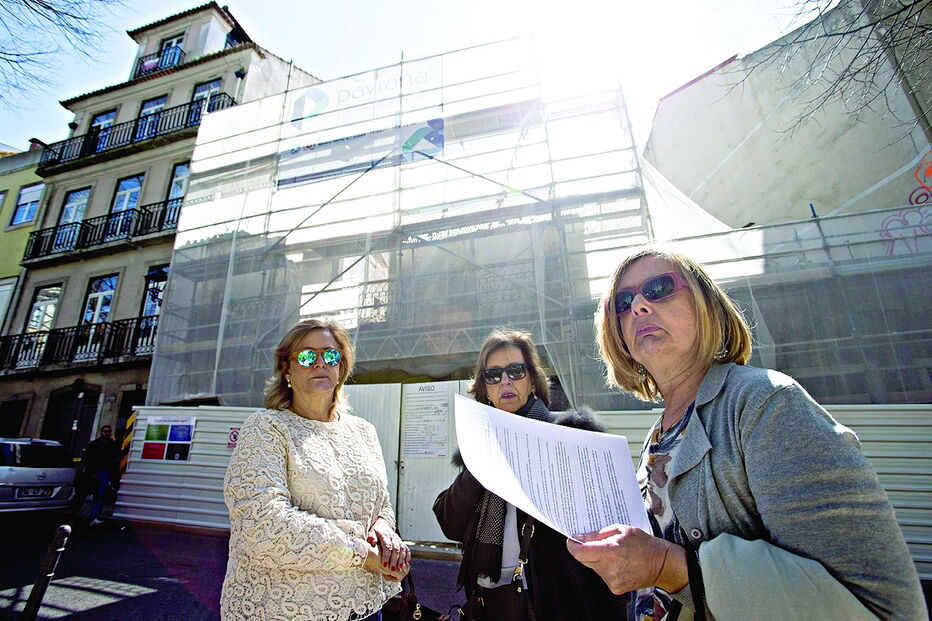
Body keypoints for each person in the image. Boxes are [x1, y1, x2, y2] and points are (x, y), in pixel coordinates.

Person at [566, 247, 925, 620]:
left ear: (707, 305)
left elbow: (879, 606)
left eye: (659, 288)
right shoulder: (658, 434)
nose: (638, 305)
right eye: (623, 301)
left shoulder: (767, 402)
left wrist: (666, 566)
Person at [221, 318, 409, 621]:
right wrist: (363, 555)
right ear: (287, 369)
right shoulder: (267, 428)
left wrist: (385, 530)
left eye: (330, 355)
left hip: (365, 606)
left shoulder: (364, 432)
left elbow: (381, 501)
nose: (320, 363)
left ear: (341, 367)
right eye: (307, 356)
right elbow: (261, 523)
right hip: (287, 608)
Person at [433, 329, 627, 620]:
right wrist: (482, 458)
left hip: (555, 602)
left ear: (533, 380)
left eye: (515, 371)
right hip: (491, 603)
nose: (505, 381)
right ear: (484, 389)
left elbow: (604, 525)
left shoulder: (568, 436)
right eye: (493, 375)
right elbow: (450, 523)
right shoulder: (479, 446)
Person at [74, 424, 118, 526]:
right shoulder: (93, 445)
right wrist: (92, 473)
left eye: (108, 431)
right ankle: (74, 516)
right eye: (104, 431)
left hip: (104, 474)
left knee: (99, 496)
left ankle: (94, 517)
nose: (106, 433)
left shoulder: (111, 445)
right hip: (91, 473)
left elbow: (116, 455)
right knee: (82, 495)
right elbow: (87, 460)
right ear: (101, 432)